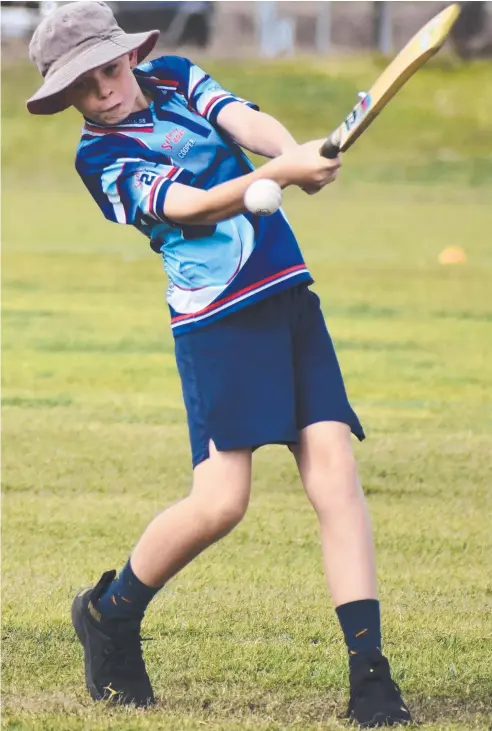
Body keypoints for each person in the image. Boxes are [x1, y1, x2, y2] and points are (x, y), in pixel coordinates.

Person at [27, 2, 412, 727]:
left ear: (127, 56)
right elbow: (190, 204)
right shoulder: (99, 157)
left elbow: (242, 120)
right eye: (85, 84)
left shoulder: (170, 76)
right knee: (221, 503)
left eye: (109, 69)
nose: (105, 89)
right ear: (67, 96)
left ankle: (371, 677)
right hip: (216, 322)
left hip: (288, 294)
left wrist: (293, 151)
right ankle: (110, 613)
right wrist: (276, 176)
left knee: (334, 471)